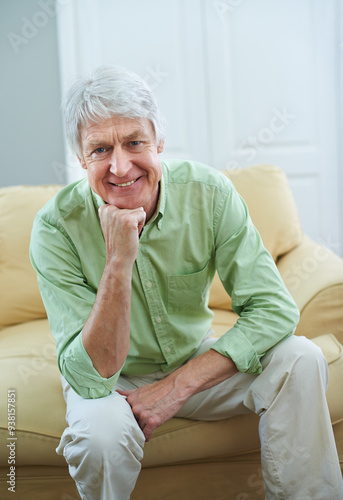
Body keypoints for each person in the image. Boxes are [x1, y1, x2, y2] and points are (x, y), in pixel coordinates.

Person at [30, 65, 343, 500]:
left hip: (196, 359)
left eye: (135, 142)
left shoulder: (209, 193)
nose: (121, 167)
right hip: (109, 380)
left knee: (301, 358)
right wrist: (118, 261)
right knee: (98, 437)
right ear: (81, 160)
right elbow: (91, 377)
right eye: (100, 149)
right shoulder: (55, 229)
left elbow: (274, 310)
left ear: (159, 142)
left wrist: (175, 388)